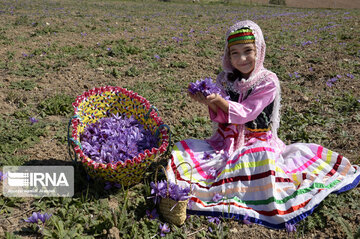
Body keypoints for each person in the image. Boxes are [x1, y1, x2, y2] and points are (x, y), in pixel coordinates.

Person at [165, 20, 360, 229]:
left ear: (259, 49)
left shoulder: (268, 81)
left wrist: (219, 101)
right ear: (228, 55)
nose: (241, 59)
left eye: (248, 51)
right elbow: (223, 117)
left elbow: (247, 112)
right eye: (234, 53)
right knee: (182, 150)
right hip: (226, 141)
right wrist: (209, 102)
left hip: (258, 139)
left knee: (260, 160)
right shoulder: (224, 79)